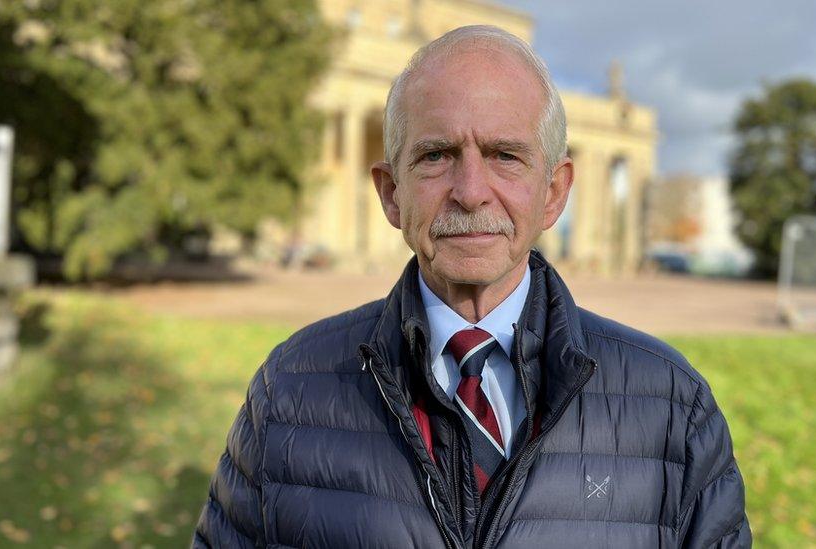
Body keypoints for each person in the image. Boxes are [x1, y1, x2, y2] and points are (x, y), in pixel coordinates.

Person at [193, 25, 751, 548]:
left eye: (505, 156)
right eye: (436, 156)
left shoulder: (674, 408)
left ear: (554, 193)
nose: (471, 191)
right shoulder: (289, 392)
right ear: (391, 193)